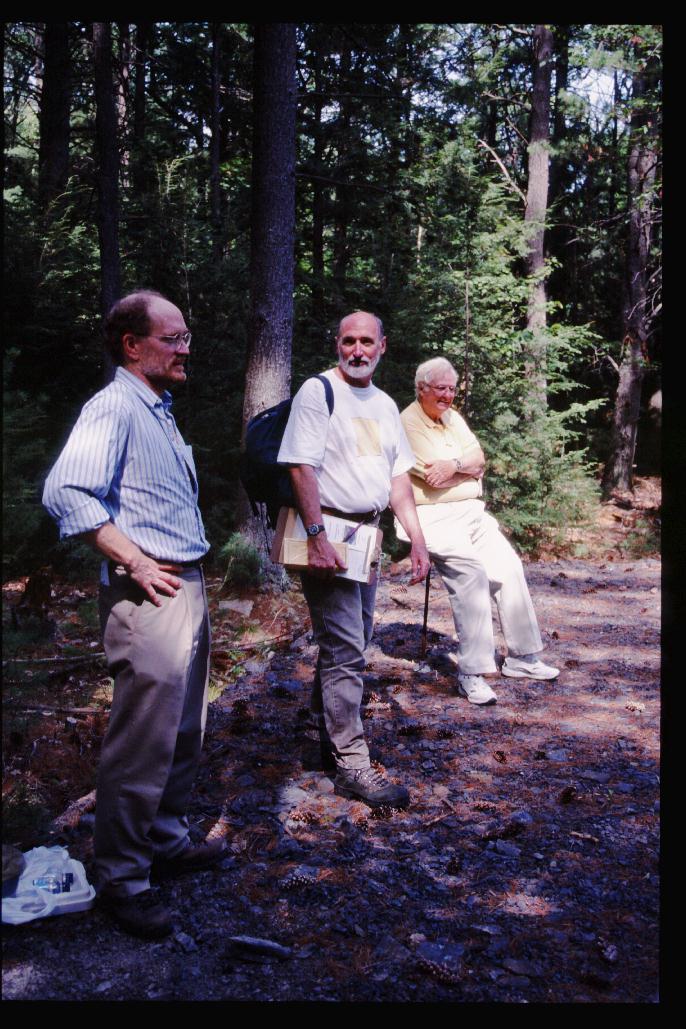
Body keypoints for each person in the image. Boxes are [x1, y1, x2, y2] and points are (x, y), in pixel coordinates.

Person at [43, 290, 225, 939]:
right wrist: (136, 561)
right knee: (142, 739)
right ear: (132, 344)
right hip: (148, 593)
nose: (185, 347)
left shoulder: (156, 408)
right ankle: (122, 877)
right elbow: (65, 488)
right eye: (173, 338)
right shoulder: (114, 405)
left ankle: (167, 840)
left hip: (184, 583)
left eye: (185, 336)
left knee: (183, 728)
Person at [277, 311, 430, 808]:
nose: (358, 350)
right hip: (330, 531)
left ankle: (328, 739)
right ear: (338, 344)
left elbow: (398, 478)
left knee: (354, 639)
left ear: (383, 346)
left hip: (369, 536)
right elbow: (301, 466)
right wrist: (318, 536)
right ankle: (351, 762)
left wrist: (416, 538)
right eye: (349, 341)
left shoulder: (385, 404)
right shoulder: (317, 392)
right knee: (347, 648)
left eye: (367, 341)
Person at [396, 356, 559, 706]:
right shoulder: (407, 422)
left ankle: (522, 658)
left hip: (471, 512)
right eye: (441, 388)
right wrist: (466, 470)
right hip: (431, 517)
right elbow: (430, 476)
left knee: (509, 566)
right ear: (422, 388)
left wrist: (456, 466)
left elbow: (479, 459)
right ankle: (471, 672)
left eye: (452, 389)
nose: (448, 396)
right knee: (471, 573)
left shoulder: (453, 418)